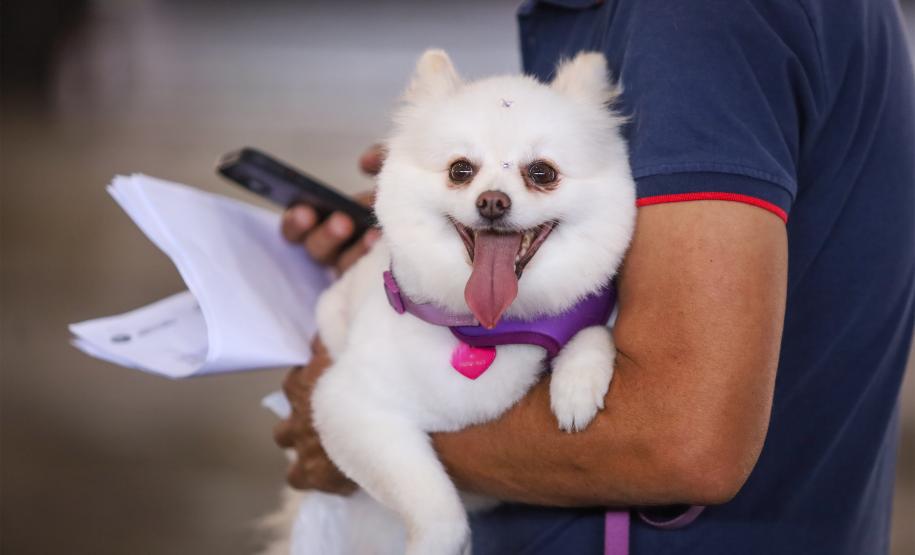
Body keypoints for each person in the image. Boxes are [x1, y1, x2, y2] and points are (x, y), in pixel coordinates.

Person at [273, 0, 915, 552]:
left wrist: (370, 439)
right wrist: (422, 257)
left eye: (539, 176)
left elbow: (681, 442)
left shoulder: (700, 17)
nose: (494, 196)